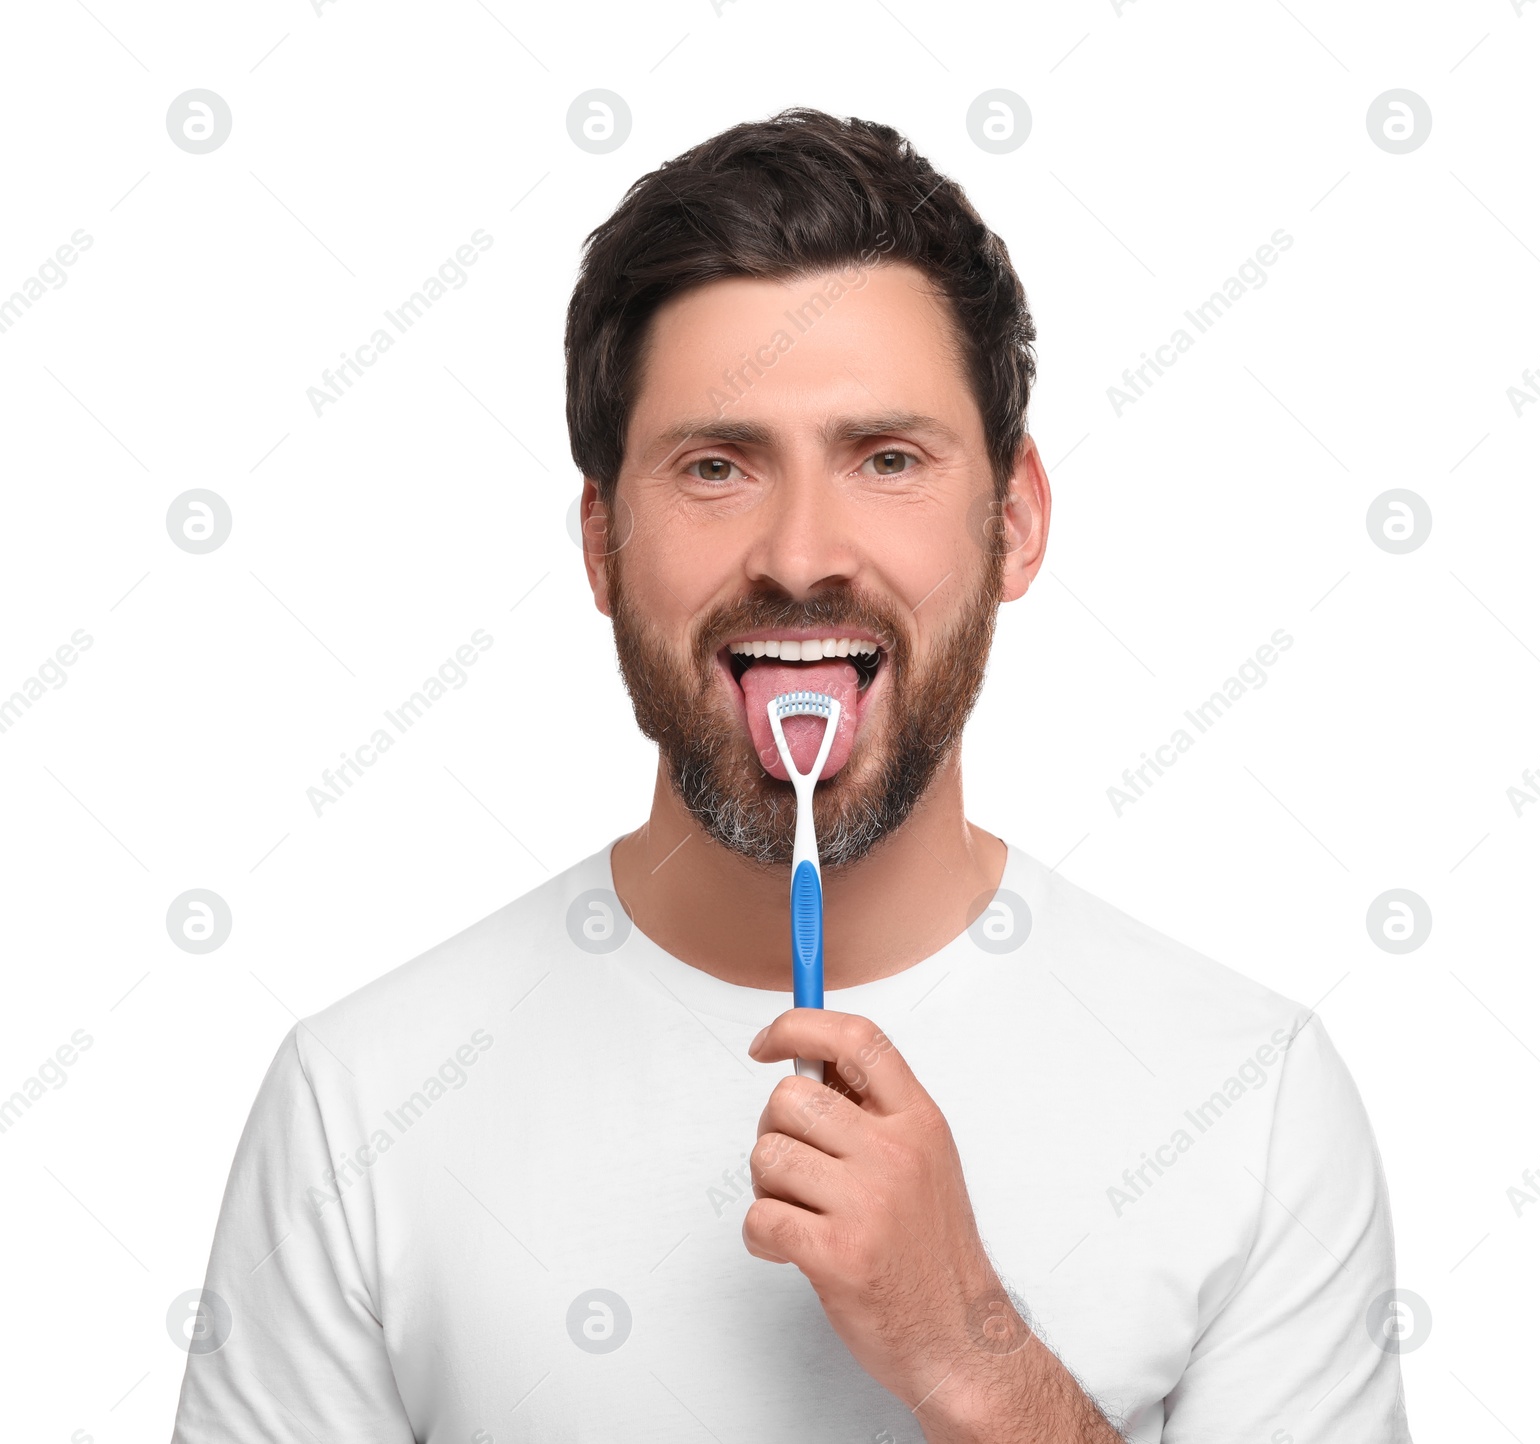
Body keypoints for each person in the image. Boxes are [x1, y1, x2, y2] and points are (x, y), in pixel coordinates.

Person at [171, 108, 1411, 1442]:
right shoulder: (358, 1104)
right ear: (601, 541)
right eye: (717, 466)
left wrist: (975, 1358)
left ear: (1015, 521)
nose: (801, 552)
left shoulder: (1254, 1100)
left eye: (886, 460)